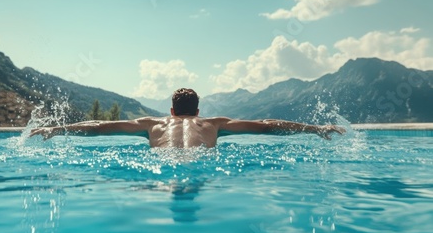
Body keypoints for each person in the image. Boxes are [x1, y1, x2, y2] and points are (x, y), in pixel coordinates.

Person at [30, 88, 345, 147]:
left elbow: (99, 128)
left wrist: (58, 128)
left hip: (161, 166)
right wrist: (314, 128)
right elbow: (266, 126)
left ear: (171, 112)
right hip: (202, 164)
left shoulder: (151, 124)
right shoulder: (213, 124)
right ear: (198, 111)